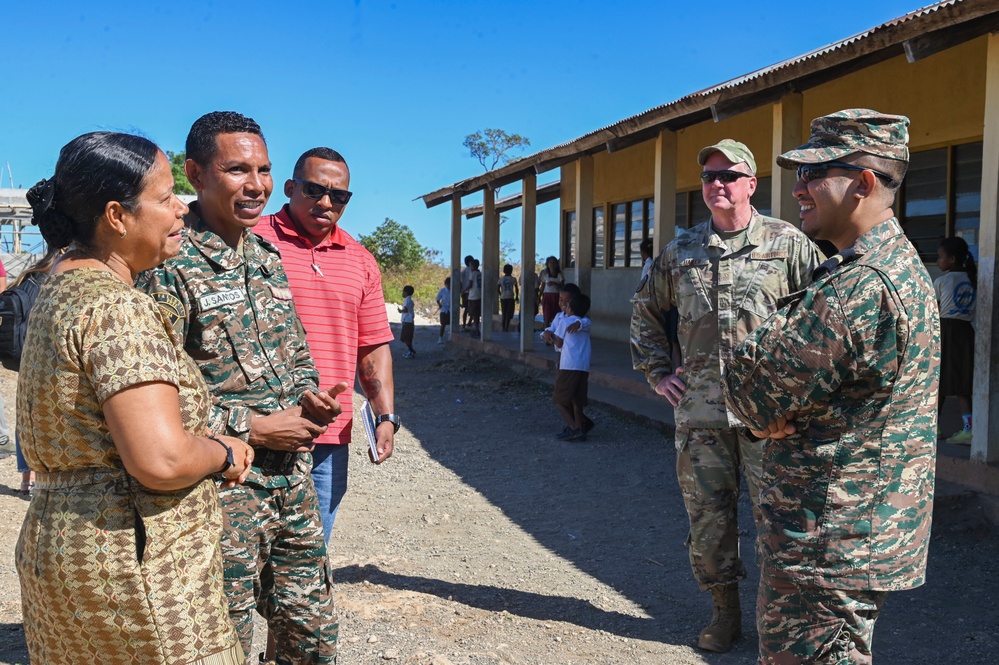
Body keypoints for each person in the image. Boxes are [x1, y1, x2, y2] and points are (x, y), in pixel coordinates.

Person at [16, 131, 254, 665]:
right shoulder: (118, 308)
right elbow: (161, 460)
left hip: (62, 550)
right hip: (137, 562)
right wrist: (225, 451)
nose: (181, 209)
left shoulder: (57, 287)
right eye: (166, 196)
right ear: (116, 216)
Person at [723, 109, 939, 664]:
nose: (797, 188)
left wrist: (759, 402)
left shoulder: (857, 287)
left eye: (814, 174)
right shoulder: (894, 267)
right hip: (852, 532)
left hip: (826, 540)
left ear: (863, 183)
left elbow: (750, 393)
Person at [140, 112, 342, 665]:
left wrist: (309, 398)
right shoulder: (167, 266)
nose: (257, 185)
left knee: (313, 640)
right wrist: (253, 426)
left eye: (265, 170)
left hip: (290, 485)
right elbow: (154, 399)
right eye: (237, 170)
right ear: (196, 174)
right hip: (221, 490)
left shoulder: (266, 258)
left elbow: (296, 354)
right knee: (223, 645)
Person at [631, 138, 823, 653]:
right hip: (702, 415)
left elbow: (823, 323)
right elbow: (646, 312)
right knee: (709, 522)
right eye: (710, 176)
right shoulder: (680, 251)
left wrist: (801, 396)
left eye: (729, 176)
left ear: (751, 184)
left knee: (780, 522)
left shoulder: (789, 244)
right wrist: (656, 371)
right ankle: (724, 613)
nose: (717, 184)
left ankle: (779, 622)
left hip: (773, 419)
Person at [255, 146, 396, 545]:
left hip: (327, 439)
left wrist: (385, 416)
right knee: (240, 561)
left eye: (340, 196)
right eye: (314, 190)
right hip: (257, 429)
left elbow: (372, 346)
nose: (327, 202)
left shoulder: (360, 260)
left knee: (310, 558)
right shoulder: (250, 241)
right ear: (289, 187)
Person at [5, 248, 63, 495]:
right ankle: (40, 480)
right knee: (47, 417)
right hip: (47, 358)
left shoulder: (26, 278)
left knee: (26, 417)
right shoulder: (54, 284)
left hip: (22, 358)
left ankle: (26, 480)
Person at [935, 236, 976, 445]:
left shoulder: (942, 281)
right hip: (966, 332)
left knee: (939, 380)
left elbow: (935, 308)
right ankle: (968, 427)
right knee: (962, 382)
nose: (937, 261)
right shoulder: (973, 278)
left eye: (940, 257)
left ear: (951, 259)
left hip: (946, 330)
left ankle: (935, 427)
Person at [552, 293, 592, 442]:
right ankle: (580, 427)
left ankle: (573, 428)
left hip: (568, 365)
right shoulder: (586, 322)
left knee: (559, 399)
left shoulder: (565, 321)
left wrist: (550, 336)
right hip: (583, 366)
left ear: (570, 309)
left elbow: (559, 343)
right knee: (577, 399)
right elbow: (585, 323)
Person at [538, 256, 564, 326]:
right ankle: (545, 331)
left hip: (557, 296)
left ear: (557, 264)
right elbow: (542, 287)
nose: (552, 264)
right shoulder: (545, 275)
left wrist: (555, 284)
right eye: (550, 263)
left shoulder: (559, 275)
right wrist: (539, 297)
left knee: (556, 316)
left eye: (554, 263)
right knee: (547, 315)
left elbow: (563, 286)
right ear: (547, 264)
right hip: (547, 296)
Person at [499, 263, 519, 332]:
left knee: (504, 313)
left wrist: (500, 294)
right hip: (510, 297)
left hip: (503, 297)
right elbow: (516, 288)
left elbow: (497, 287)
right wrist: (516, 296)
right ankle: (506, 327)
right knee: (508, 314)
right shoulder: (513, 279)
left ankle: (503, 328)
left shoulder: (501, 279)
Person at [465, 258, 482, 336]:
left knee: (473, 313)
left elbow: (470, 284)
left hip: (473, 296)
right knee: (477, 314)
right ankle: (476, 328)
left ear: (473, 266)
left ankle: (475, 328)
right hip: (479, 295)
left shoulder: (472, 274)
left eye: (470, 266)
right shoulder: (480, 274)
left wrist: (463, 291)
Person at [399, 285, 416, 358]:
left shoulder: (407, 300)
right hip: (410, 321)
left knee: (405, 338)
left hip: (407, 322)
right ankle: (410, 350)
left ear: (406, 292)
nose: (402, 293)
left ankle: (411, 350)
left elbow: (405, 309)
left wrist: (400, 311)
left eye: (403, 291)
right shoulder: (410, 300)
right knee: (408, 337)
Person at [460, 254, 474, 331]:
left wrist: (461, 291)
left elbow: (460, 282)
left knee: (466, 309)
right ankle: (469, 323)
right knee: (473, 309)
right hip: (471, 292)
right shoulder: (472, 272)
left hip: (464, 292)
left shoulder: (463, 272)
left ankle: (464, 325)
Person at [436, 276, 451, 344]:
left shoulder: (453, 291)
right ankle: (440, 338)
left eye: (450, 284)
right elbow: (438, 299)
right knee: (443, 324)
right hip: (444, 309)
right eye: (447, 284)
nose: (448, 286)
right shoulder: (442, 290)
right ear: (445, 284)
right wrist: (439, 304)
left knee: (451, 324)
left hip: (451, 309)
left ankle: (450, 336)